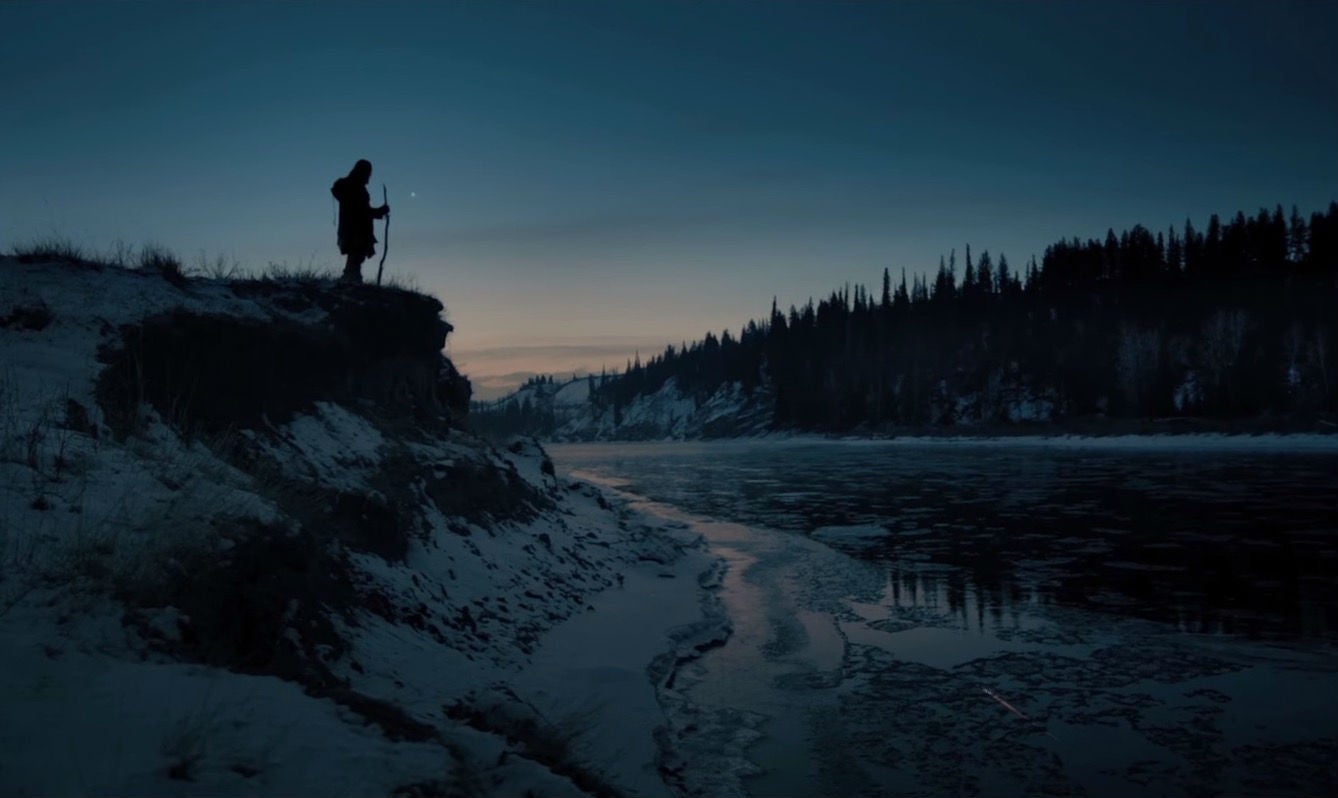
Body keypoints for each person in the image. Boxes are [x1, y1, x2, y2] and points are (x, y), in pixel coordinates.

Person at [331, 159, 389, 283]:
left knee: (356, 256)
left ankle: (351, 279)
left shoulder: (353, 187)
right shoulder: (354, 188)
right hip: (356, 230)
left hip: (354, 229)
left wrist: (379, 212)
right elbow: (360, 211)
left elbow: (362, 210)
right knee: (355, 256)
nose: (369, 176)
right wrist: (379, 211)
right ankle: (351, 280)